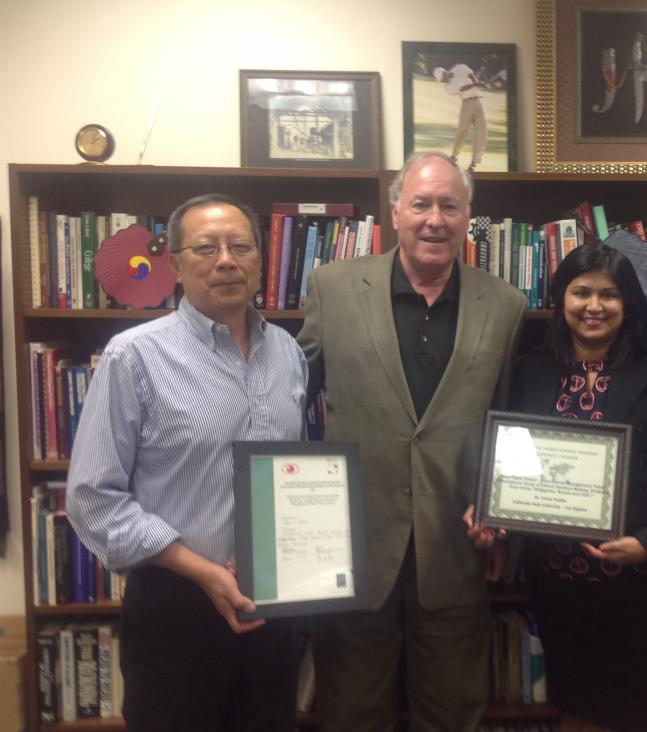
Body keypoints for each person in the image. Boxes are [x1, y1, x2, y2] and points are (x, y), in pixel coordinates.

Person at [299, 151, 526, 731]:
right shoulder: (332, 287)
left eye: (449, 206)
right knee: (351, 714)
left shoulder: (504, 306)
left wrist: (498, 508)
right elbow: (291, 401)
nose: (434, 219)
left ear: (467, 216)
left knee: (454, 715)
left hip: (455, 550)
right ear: (395, 211)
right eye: (421, 204)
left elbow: (507, 420)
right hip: (350, 549)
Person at [66, 194, 308, 732]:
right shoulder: (135, 356)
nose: (226, 260)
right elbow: (91, 499)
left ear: (260, 258)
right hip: (176, 611)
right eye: (206, 248)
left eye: (241, 246)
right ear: (174, 263)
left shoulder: (288, 352)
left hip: (272, 608)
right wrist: (201, 571)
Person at [510, 243, 647, 732]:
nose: (594, 306)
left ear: (629, 304)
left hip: (637, 588)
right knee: (573, 712)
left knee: (632, 716)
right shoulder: (531, 372)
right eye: (581, 292)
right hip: (558, 586)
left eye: (609, 294)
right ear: (561, 299)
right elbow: (512, 462)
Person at [433, 64, 487, 172]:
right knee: (462, 130)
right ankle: (454, 155)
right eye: (442, 80)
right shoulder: (448, 88)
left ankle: (474, 162)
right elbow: (462, 88)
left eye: (443, 78)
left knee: (481, 131)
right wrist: (476, 84)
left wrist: (477, 83)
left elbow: (470, 74)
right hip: (466, 104)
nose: (444, 81)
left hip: (478, 101)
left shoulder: (459, 68)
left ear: (445, 73)